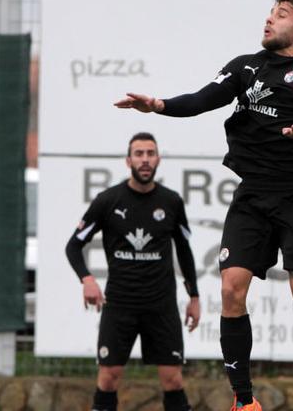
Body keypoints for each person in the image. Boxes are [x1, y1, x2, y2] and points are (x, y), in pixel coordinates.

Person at [114, 0, 293, 411]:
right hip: (251, 196)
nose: (269, 19)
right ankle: (244, 401)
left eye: (281, 14)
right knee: (232, 292)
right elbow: (201, 100)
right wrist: (157, 105)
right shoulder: (246, 67)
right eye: (270, 13)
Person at [65, 132, 200, 411]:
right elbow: (73, 246)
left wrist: (194, 297)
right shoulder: (108, 200)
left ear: (158, 159)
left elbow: (184, 251)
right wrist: (87, 280)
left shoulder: (171, 202)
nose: (145, 159)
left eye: (150, 153)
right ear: (128, 161)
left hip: (160, 304)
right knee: (109, 377)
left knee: (172, 379)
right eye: (139, 154)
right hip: (120, 304)